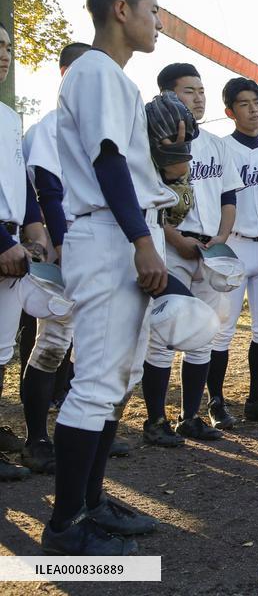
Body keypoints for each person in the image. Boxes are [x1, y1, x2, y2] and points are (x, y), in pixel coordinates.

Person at [43, 0, 179, 554]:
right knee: (95, 384)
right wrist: (140, 241)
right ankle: (65, 528)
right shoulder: (97, 70)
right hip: (107, 235)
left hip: (119, 232)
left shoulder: (112, 78)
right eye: (153, 10)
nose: (159, 21)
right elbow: (106, 160)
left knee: (112, 381)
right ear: (121, 10)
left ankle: (91, 504)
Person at [140, 63, 242, 445]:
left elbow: (229, 198)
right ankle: (155, 420)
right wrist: (175, 237)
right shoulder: (152, 144)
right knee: (165, 333)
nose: (198, 97)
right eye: (188, 91)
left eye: (201, 91)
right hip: (171, 246)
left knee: (204, 332)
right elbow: (147, 202)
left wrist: (220, 238)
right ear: (167, 96)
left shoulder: (217, 145)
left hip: (210, 248)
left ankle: (191, 417)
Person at [18, 42, 91, 474]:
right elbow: (47, 190)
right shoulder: (48, 128)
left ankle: (78, 432)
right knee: (50, 344)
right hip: (66, 247)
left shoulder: (101, 128)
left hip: (99, 248)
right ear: (65, 74)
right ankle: (36, 439)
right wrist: (62, 246)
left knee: (90, 349)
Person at [210, 77, 258, 426]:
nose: (254, 108)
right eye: (244, 103)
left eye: (257, 101)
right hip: (234, 245)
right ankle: (215, 401)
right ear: (230, 111)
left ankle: (257, 397)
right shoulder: (221, 149)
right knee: (222, 329)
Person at [0, 21, 47, 482]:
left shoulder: (8, 116)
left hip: (14, 246)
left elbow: (22, 188)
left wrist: (34, 231)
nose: (3, 53)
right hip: (3, 244)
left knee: (0, 350)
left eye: (7, 46)